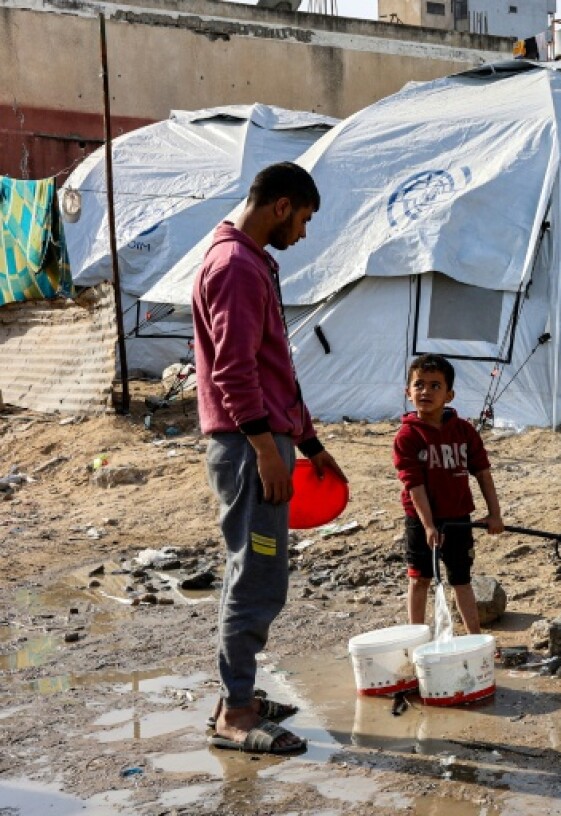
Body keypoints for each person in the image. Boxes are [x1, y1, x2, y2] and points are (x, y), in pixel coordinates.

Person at [194, 162, 346, 756]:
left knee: (260, 572)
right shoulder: (234, 266)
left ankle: (242, 694)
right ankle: (235, 714)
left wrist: (309, 445)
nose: (304, 233)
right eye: (304, 219)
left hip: (266, 442)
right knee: (255, 576)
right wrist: (265, 449)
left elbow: (273, 369)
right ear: (281, 206)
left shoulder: (250, 260)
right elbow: (234, 372)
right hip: (247, 447)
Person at [393, 354, 504, 637]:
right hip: (420, 520)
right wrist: (429, 525)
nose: (425, 392)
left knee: (461, 579)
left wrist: (495, 514)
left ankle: (475, 638)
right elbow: (413, 485)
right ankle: (415, 639)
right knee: (419, 580)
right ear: (408, 393)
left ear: (449, 394)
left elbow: (482, 473)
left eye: (435, 386)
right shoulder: (407, 436)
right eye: (419, 385)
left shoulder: (464, 431)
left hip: (458, 518)